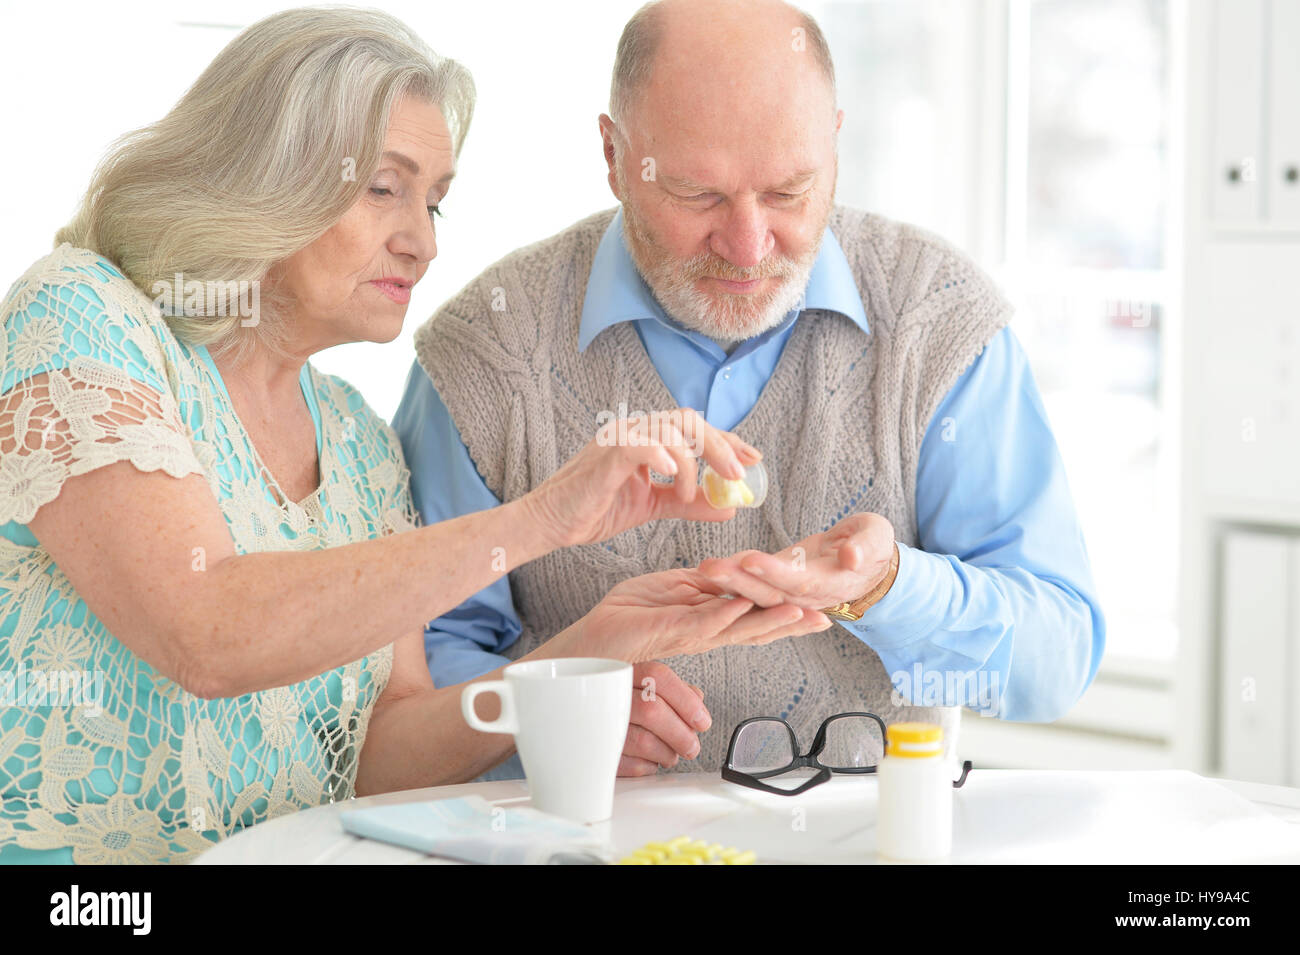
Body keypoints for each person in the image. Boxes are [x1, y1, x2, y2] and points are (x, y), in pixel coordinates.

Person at [0, 6, 832, 864]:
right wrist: (543, 519)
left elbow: (382, 762)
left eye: (435, 201)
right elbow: (204, 632)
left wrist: (593, 645)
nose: (423, 241)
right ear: (263, 169)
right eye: (384, 188)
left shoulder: (359, 442)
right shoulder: (84, 319)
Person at [394, 0, 1107, 778]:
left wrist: (891, 587)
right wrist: (547, 719)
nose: (747, 246)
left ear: (834, 146)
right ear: (613, 154)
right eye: (698, 194)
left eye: (789, 192)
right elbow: (422, 665)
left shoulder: (940, 327)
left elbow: (1055, 657)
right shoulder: (483, 353)